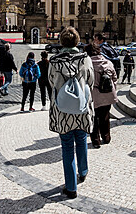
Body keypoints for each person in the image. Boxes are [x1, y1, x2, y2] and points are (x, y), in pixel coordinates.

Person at [48, 27, 94, 199]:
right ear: (77, 41)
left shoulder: (54, 61)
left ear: (61, 42)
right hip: (81, 109)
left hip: (62, 111)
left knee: (67, 146)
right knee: (81, 139)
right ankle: (83, 171)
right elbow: (91, 81)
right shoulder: (85, 59)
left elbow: (52, 83)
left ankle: (71, 187)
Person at [84, 43, 118, 148]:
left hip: (94, 96)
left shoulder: (87, 64)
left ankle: (96, 140)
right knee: (105, 116)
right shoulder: (108, 62)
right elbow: (115, 78)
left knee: (93, 118)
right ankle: (106, 137)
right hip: (108, 94)